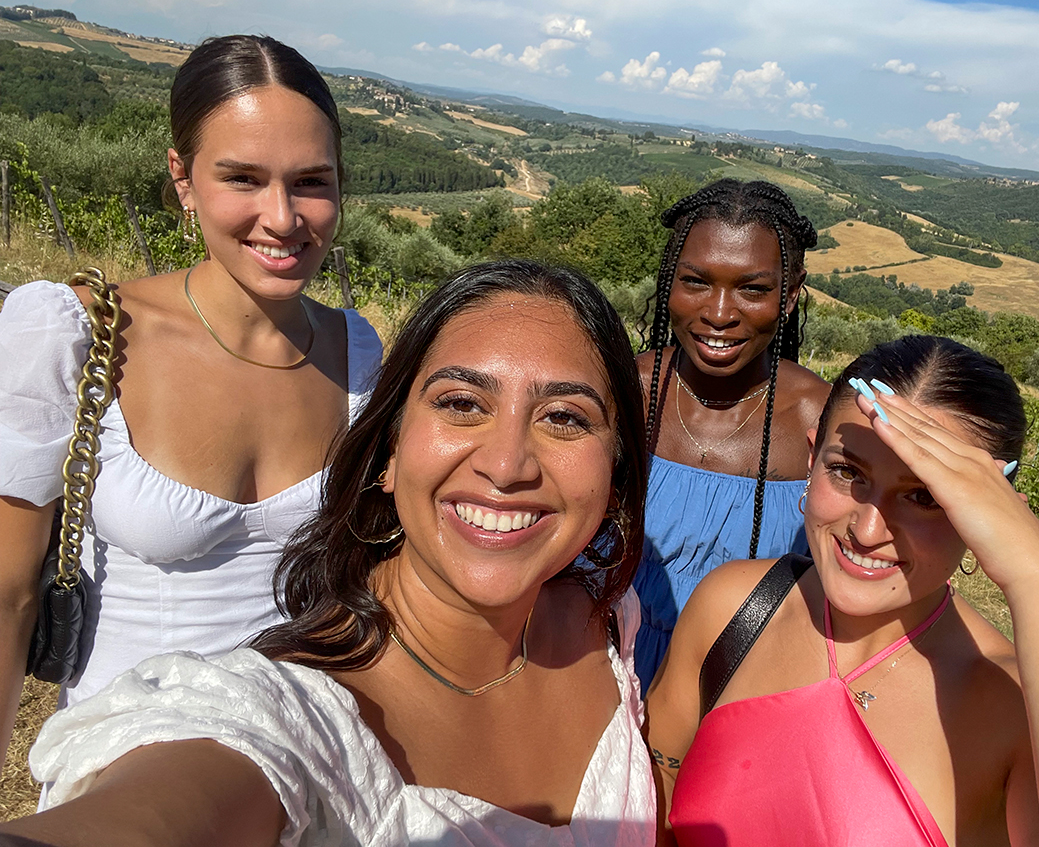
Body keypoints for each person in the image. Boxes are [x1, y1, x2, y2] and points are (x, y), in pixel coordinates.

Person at [0, 260, 656, 847]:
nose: (508, 464)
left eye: (566, 417)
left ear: (616, 468)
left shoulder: (605, 623)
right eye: (461, 404)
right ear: (389, 454)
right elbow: (171, 802)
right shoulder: (279, 717)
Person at [645, 335, 1039, 847]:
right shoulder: (732, 608)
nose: (867, 531)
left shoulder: (1014, 705)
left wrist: (1038, 574)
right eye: (847, 472)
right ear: (811, 458)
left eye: (926, 497)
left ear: (990, 517)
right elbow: (655, 807)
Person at [0, 34, 383, 762]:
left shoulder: (357, 352)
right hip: (119, 777)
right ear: (182, 179)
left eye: (311, 181)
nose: (281, 217)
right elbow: (7, 595)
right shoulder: (75, 333)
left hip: (304, 768)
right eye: (242, 178)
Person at [633, 178, 830, 688]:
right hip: (602, 675)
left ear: (790, 295)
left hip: (747, 691)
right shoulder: (622, 393)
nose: (719, 314)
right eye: (696, 281)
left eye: (753, 289)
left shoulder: (822, 421)